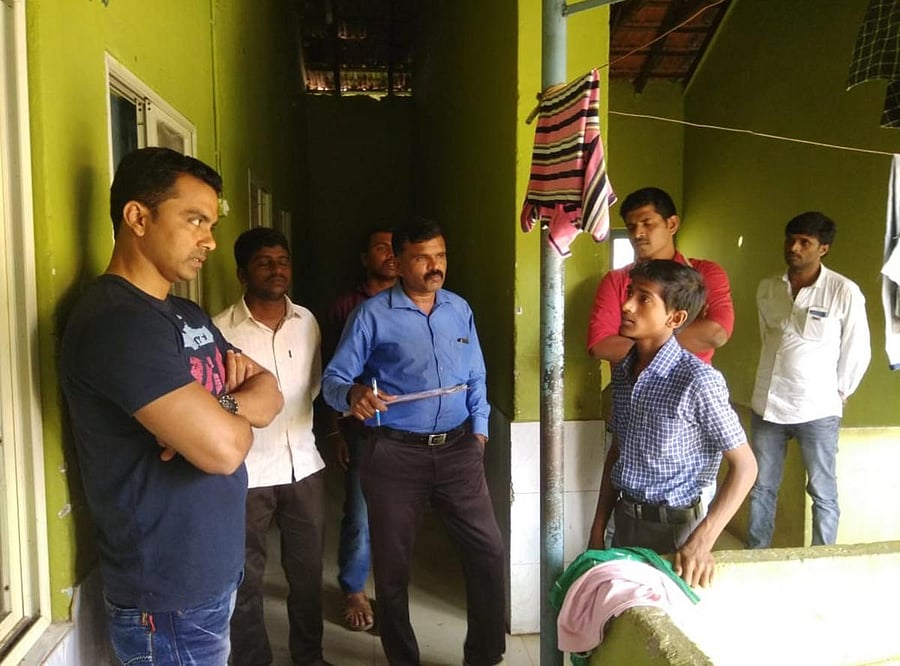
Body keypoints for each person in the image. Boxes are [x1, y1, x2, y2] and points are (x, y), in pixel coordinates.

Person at [59, 147, 283, 665]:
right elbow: (226, 450)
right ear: (138, 217)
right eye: (195, 220)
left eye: (210, 222)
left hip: (207, 574)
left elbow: (270, 391)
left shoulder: (184, 312)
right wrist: (227, 417)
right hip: (167, 597)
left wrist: (218, 407)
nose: (210, 239)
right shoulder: (117, 322)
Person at [322, 218, 506, 666]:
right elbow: (333, 379)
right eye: (422, 257)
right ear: (399, 262)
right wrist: (355, 395)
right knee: (392, 566)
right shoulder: (371, 314)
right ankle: (403, 657)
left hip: (460, 448)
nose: (434, 266)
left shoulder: (458, 309)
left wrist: (479, 431)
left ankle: (484, 655)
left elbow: (476, 374)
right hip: (395, 452)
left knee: (488, 551)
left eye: (440, 255)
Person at [587, 260, 757, 588]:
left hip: (677, 530)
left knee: (666, 622)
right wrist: (597, 533)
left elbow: (746, 466)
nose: (626, 304)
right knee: (621, 619)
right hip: (625, 522)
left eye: (644, 298)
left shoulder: (697, 380)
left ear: (675, 318)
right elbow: (618, 452)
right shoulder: (623, 373)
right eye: (630, 293)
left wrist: (702, 540)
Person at [213, 228, 329, 665]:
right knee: (245, 577)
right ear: (243, 273)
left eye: (282, 260)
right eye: (265, 262)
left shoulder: (308, 322)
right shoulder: (218, 330)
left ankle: (309, 657)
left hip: (304, 466)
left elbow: (312, 385)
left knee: (307, 574)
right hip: (246, 474)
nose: (277, 269)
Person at [747, 212, 871, 548]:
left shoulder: (843, 291)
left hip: (817, 407)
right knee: (761, 486)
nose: (794, 247)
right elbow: (768, 338)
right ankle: (757, 555)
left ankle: (822, 558)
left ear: (824, 248)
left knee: (823, 490)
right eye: (791, 239)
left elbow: (857, 348)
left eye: (805, 242)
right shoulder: (768, 287)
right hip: (767, 404)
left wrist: (841, 389)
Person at [323, 226, 397, 633]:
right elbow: (329, 375)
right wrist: (336, 432)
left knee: (398, 514)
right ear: (365, 258)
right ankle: (353, 587)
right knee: (359, 510)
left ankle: (391, 592)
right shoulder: (345, 307)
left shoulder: (413, 302)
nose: (389, 255)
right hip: (360, 425)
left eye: (394, 248)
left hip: (404, 429)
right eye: (380, 248)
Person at [587, 186, 734, 365]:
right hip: (635, 390)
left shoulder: (705, 273)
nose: (637, 233)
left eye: (647, 223)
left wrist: (637, 338)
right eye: (631, 227)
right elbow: (601, 345)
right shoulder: (616, 280)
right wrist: (689, 332)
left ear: (672, 224)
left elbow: (716, 333)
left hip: (689, 387)